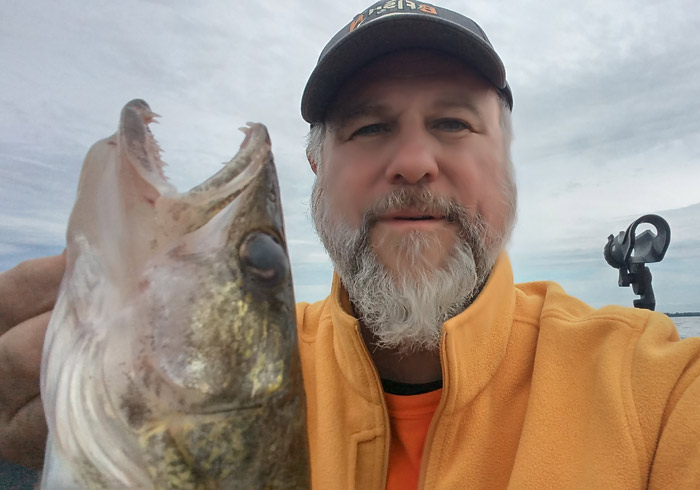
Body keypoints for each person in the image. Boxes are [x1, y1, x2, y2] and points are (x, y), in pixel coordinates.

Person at [1, 1, 699, 488]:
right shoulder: (270, 362)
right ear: (317, 171)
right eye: (368, 128)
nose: (416, 161)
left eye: (454, 123)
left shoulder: (662, 391)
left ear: (507, 163)